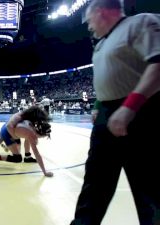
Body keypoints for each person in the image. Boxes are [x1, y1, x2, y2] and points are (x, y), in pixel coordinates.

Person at [70, 0, 160, 224]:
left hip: (141, 114)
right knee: (94, 183)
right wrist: (98, 108)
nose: (89, 26)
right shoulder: (101, 44)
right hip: (107, 116)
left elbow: (158, 63)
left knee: (148, 186)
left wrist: (129, 106)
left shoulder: (140, 23)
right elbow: (105, 81)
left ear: (101, 13)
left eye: (90, 20)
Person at [0, 106, 53, 177]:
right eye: (43, 136)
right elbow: (9, 126)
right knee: (17, 157)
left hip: (13, 130)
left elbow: (31, 131)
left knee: (15, 146)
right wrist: (44, 172)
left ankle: (26, 156)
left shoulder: (30, 121)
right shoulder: (20, 117)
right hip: (8, 130)